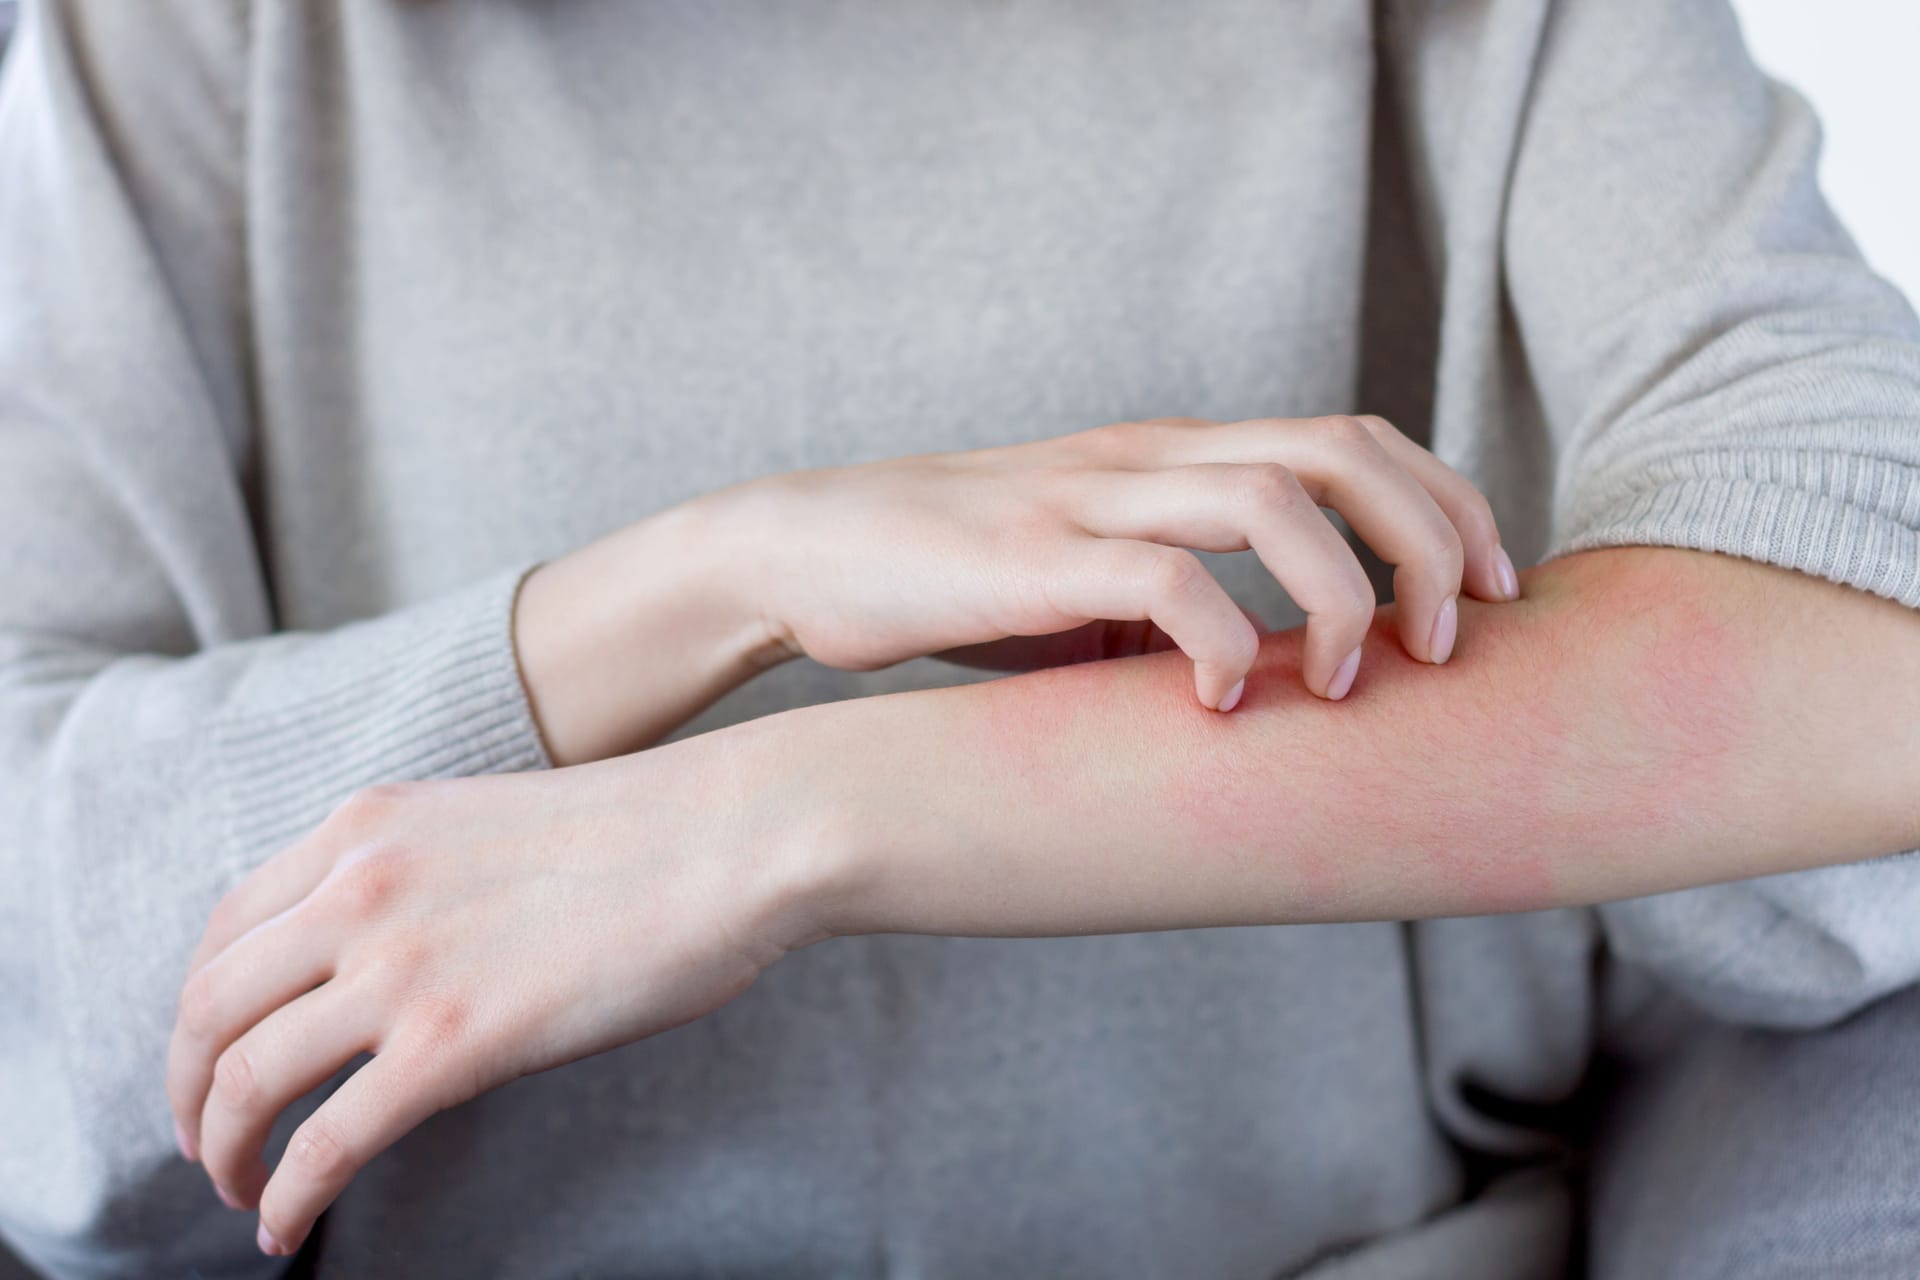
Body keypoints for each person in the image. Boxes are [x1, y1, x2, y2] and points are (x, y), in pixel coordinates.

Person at [1, 0, 1916, 1275]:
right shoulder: (190, 42)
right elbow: (37, 958)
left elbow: (1867, 651)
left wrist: (788, 820)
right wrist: (706, 584)